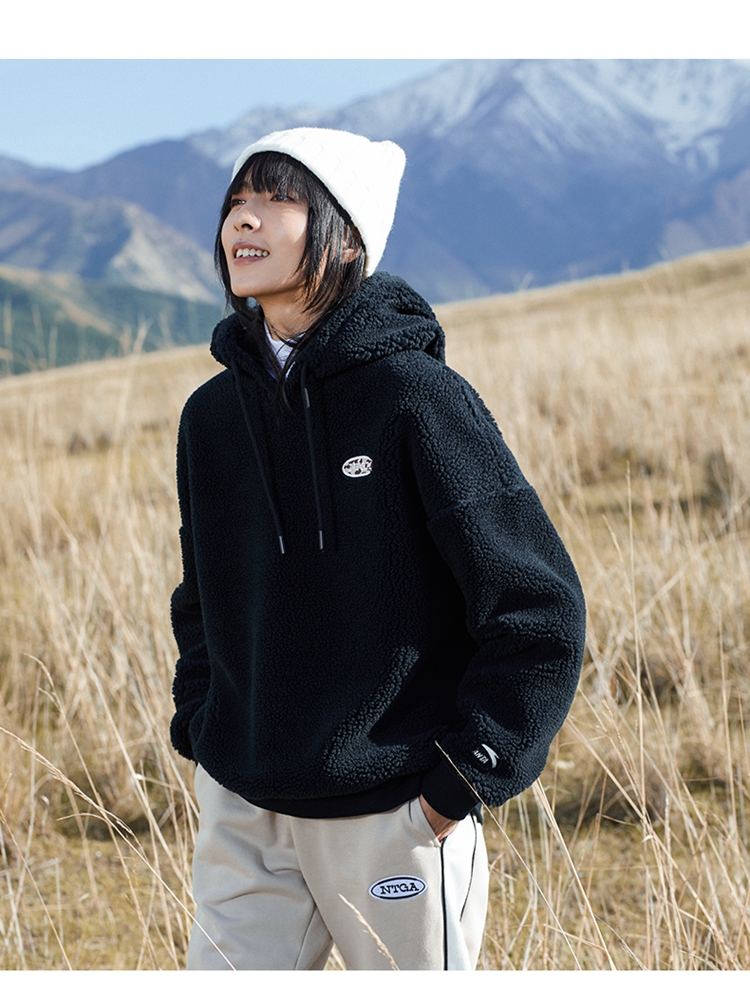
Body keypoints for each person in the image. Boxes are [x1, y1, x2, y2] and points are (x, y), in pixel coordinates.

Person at [169, 127, 586, 972]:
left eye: (277, 199)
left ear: (348, 236)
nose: (243, 220)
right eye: (236, 201)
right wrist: (203, 725)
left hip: (395, 813)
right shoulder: (210, 417)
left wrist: (461, 780)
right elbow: (201, 596)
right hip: (246, 808)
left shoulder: (415, 395)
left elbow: (537, 605)